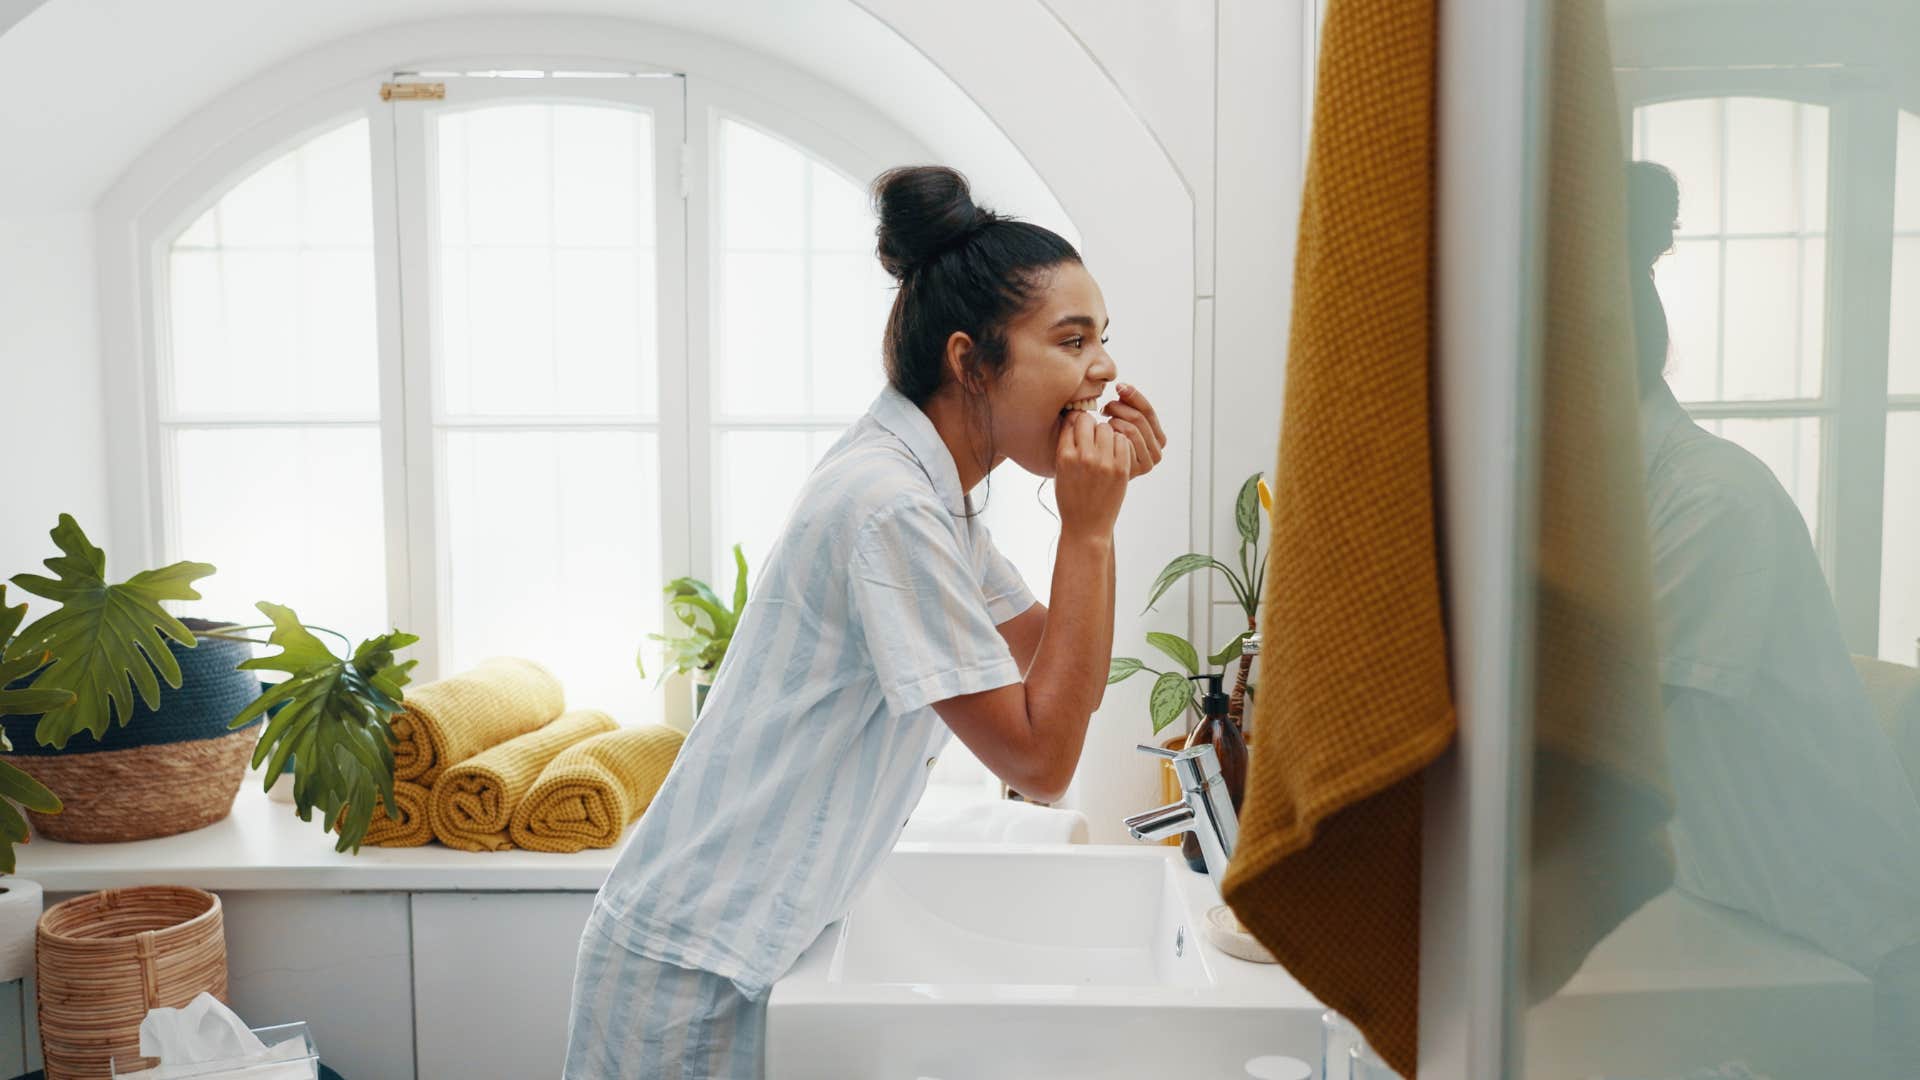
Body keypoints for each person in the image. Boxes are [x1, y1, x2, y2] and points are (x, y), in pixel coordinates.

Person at [562, 164, 1168, 1079]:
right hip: (689, 970)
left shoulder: (930, 494)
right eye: (1072, 338)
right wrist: (1086, 531)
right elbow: (1043, 763)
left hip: (724, 948)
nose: (1105, 367)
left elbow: (1057, 671)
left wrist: (1101, 525)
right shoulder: (891, 508)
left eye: (1103, 339)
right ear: (971, 362)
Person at [1628, 159, 1920, 1078]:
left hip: (1858, 951)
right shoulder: (1616, 501)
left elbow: (1597, 740)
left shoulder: (1712, 502)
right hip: (1745, 915)